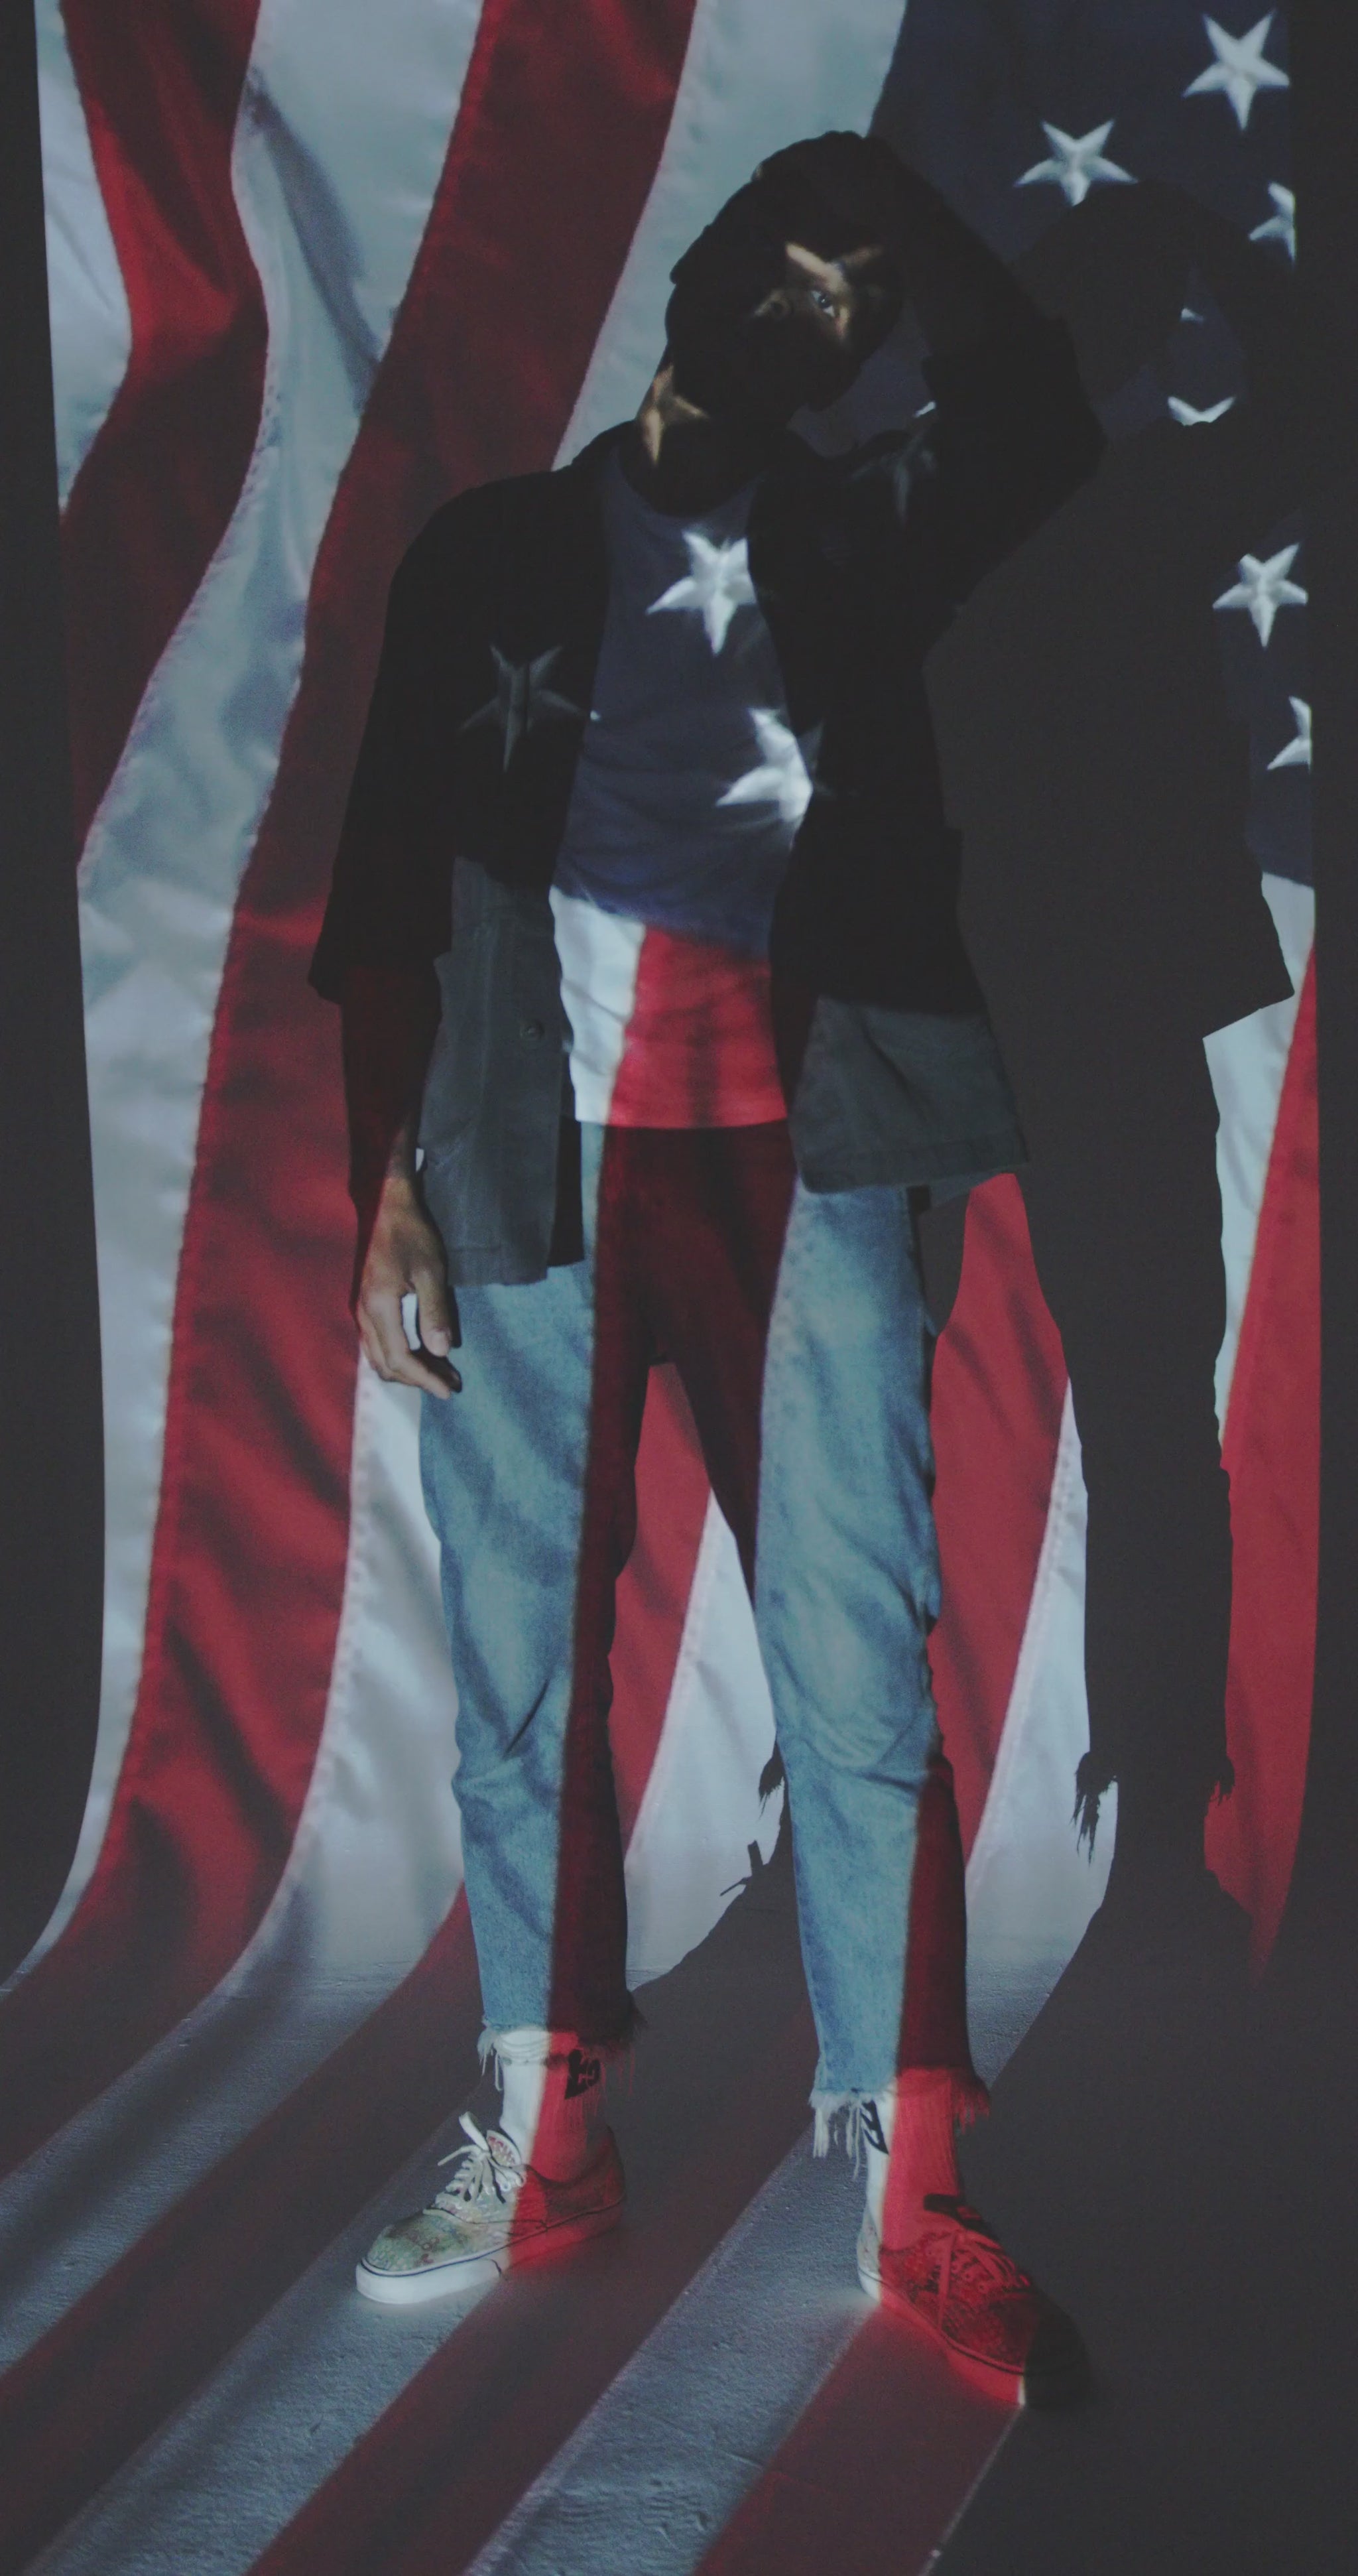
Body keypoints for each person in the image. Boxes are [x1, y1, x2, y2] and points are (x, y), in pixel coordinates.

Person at [310, 131, 1102, 2407]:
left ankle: (915, 2183)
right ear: (696, 286)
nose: (807, 323)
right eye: (788, 276)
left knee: (857, 1657)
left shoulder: (856, 536)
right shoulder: (497, 556)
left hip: (808, 1159)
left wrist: (910, 223)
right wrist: (384, 1182)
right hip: (531, 1160)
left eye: (848, 310)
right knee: (520, 1668)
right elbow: (389, 878)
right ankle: (546, 2136)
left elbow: (1037, 418)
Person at [927, 181, 1317, 1933]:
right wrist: (1228, 259)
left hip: (961, 1006)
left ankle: (1105, 1818)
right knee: (1146, 1422)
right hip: (1053, 1013)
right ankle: (1154, 1823)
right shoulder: (1135, 502)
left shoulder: (945, 507)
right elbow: (1308, 412)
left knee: (915, 1418)